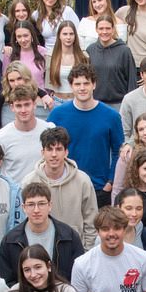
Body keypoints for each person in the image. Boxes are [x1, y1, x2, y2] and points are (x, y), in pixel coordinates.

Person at [46, 66, 125, 199]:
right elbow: (47, 147)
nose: (82, 88)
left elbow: (119, 151)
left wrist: (110, 181)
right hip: (65, 185)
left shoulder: (111, 116)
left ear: (94, 85)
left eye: (86, 83)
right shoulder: (57, 114)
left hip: (99, 188)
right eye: (77, 84)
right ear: (71, 86)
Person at [23, 126, 99, 250]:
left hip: (75, 248)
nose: (54, 154)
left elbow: (91, 220)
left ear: (66, 152)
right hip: (40, 250)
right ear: (42, 152)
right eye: (49, 149)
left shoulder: (82, 180)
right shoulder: (29, 181)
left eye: (58, 149)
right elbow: (25, 220)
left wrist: (87, 252)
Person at [0, 181, 85, 284]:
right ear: (23, 208)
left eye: (41, 204)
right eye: (31, 204)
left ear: (50, 205)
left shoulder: (69, 236)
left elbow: (79, 276)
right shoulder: (10, 241)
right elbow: (7, 280)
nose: (36, 210)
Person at [0, 82, 46, 185]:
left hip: (43, 192)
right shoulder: (0, 137)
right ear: (12, 107)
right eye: (18, 106)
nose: (23, 110)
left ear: (34, 105)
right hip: (14, 192)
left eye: (27, 104)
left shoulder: (48, 130)